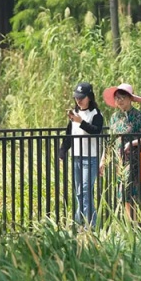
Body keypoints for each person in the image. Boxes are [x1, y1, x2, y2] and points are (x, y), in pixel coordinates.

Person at [101, 82, 141, 222]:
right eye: (117, 97)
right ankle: (130, 225)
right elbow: (110, 141)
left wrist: (132, 143)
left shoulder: (138, 116)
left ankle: (133, 224)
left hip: (134, 161)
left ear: (130, 98)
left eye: (123, 97)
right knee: (123, 194)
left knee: (131, 194)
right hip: (120, 162)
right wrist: (103, 160)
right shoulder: (114, 117)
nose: (120, 100)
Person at [59, 82, 104, 228]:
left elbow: (96, 131)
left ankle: (86, 225)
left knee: (85, 190)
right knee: (79, 192)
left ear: (89, 97)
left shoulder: (96, 114)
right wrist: (62, 151)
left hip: (90, 158)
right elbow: (69, 135)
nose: (78, 100)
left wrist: (81, 122)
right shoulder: (74, 113)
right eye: (76, 97)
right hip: (76, 157)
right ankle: (87, 223)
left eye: (81, 98)